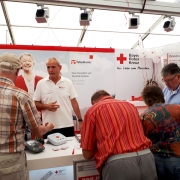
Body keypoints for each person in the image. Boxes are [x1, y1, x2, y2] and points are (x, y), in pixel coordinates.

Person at [80, 90, 157, 180]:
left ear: (93, 102)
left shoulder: (93, 110)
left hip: (118, 164)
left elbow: (87, 154)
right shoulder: (130, 106)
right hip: (147, 158)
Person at [0, 52, 54, 180]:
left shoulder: (39, 80)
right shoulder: (21, 95)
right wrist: (48, 128)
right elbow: (36, 129)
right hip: (10, 160)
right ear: (18, 70)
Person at [33, 57, 82, 138]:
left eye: (53, 67)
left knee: (69, 150)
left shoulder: (67, 82)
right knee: (50, 151)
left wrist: (80, 120)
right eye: (48, 67)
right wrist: (46, 106)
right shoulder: (41, 83)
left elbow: (74, 102)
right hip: (49, 127)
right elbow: (34, 103)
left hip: (67, 125)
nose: (50, 70)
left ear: (60, 67)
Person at [141, 85, 180, 180]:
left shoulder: (144, 116)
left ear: (146, 99)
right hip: (175, 157)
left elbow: (143, 139)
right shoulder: (176, 108)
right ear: (161, 95)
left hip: (155, 159)